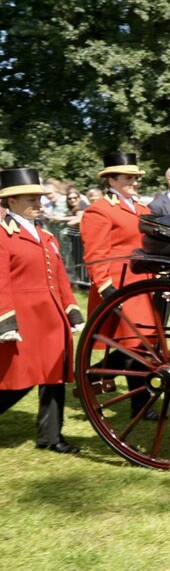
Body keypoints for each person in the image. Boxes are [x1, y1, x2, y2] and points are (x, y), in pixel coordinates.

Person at [0, 168, 87, 454]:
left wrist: (73, 312)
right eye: (31, 199)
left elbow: (60, 278)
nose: (39, 204)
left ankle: (51, 437)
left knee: (54, 377)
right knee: (15, 381)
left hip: (51, 319)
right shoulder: (2, 236)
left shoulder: (47, 236)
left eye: (39, 198)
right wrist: (5, 321)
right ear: (12, 202)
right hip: (22, 319)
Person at [79, 152, 158, 419]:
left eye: (136, 177)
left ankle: (137, 403)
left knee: (143, 346)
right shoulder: (99, 210)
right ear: (111, 180)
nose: (135, 182)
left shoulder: (142, 209)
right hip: (120, 286)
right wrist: (107, 289)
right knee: (134, 346)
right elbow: (95, 254)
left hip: (143, 285)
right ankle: (95, 378)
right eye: (128, 178)